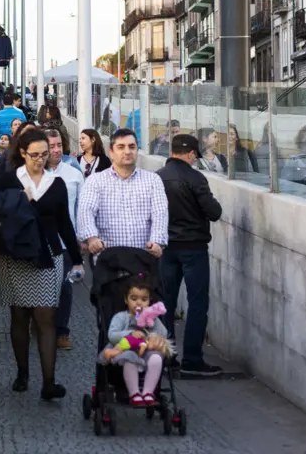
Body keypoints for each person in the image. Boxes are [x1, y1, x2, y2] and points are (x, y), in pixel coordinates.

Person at [0, 129, 83, 399]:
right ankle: (22, 372)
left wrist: (77, 260)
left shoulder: (56, 184)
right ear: (22, 153)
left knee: (46, 318)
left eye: (45, 154)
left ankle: (48, 382)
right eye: (35, 155)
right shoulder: (10, 179)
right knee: (19, 316)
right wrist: (24, 201)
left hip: (48, 256)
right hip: (15, 255)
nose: (41, 159)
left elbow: (64, 222)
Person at [157, 133, 224, 377]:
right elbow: (214, 212)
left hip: (165, 247)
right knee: (197, 303)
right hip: (194, 247)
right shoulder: (196, 178)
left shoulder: (157, 178)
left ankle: (166, 355)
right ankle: (192, 359)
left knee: (165, 302)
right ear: (191, 154)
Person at [76, 128, 169, 259]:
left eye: (132, 147)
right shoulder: (95, 181)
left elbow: (160, 213)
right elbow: (86, 211)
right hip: (106, 261)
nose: (127, 151)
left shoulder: (153, 180)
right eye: (121, 147)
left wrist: (157, 242)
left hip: (143, 260)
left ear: (137, 150)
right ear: (111, 152)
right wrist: (92, 238)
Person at [100, 277, 171, 407]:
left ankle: (148, 393)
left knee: (156, 358)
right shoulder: (121, 317)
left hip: (146, 350)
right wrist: (129, 333)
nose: (139, 303)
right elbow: (112, 335)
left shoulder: (152, 319)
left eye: (144, 300)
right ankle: (134, 393)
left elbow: (164, 333)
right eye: (134, 299)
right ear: (126, 300)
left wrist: (155, 337)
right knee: (130, 360)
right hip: (125, 349)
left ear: (150, 302)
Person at [45, 128, 85, 351]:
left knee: (65, 287)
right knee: (44, 288)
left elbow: (82, 208)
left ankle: (62, 331)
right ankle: (43, 325)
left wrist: (83, 238)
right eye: (51, 146)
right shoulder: (32, 174)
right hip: (41, 242)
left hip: (66, 243)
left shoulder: (73, 174)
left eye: (59, 145)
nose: (57, 150)